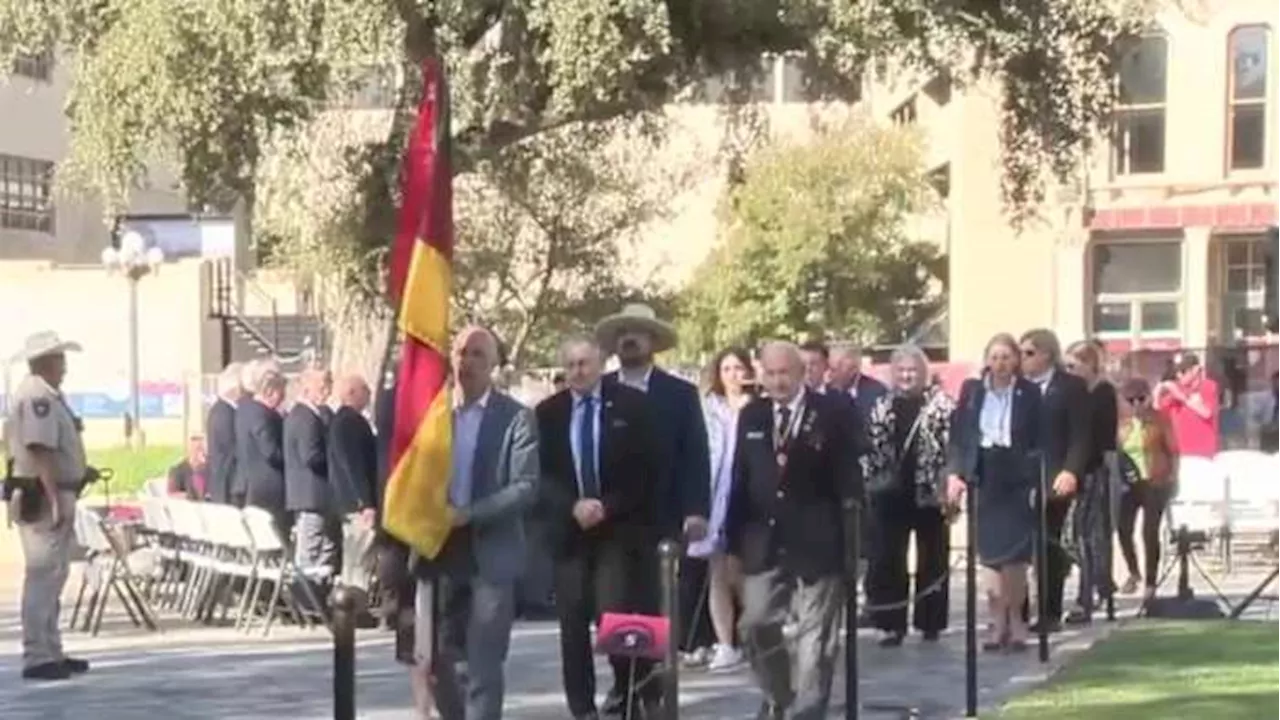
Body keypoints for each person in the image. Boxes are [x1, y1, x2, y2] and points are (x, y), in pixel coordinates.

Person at [727, 341, 861, 720]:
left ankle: (808, 711)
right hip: (764, 540)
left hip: (819, 539)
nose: (777, 381)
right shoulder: (752, 416)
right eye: (770, 373)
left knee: (815, 639)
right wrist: (732, 539)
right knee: (755, 623)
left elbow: (851, 478)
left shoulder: (833, 411)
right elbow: (740, 478)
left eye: (785, 372)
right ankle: (779, 695)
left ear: (802, 372)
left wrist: (854, 540)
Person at [415, 326, 540, 720]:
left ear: (494, 366)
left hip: (492, 554)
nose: (466, 362)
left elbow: (525, 487)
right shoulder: (434, 414)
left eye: (477, 355)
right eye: (461, 352)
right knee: (440, 665)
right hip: (441, 552)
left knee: (484, 666)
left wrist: (469, 513)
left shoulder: (515, 418)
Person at [537, 335, 660, 720]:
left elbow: (646, 470)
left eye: (584, 363)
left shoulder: (632, 405)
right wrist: (571, 506)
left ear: (601, 364)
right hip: (569, 533)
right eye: (570, 364)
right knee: (573, 625)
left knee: (618, 616)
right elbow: (540, 475)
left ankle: (632, 692)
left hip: (619, 530)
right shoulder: (548, 412)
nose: (577, 371)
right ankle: (582, 707)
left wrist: (607, 506)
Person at [596, 303, 709, 711]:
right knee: (612, 604)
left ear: (653, 342)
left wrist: (696, 510)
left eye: (639, 332)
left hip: (661, 515)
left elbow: (696, 455)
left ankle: (647, 683)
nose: (630, 338)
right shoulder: (600, 389)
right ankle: (623, 680)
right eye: (624, 331)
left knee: (650, 602)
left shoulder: (679, 394)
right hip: (611, 519)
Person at [4, 331, 93, 680]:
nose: (64, 367)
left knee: (55, 575)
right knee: (43, 575)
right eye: (58, 359)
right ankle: (38, 654)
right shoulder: (37, 396)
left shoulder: (47, 395)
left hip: (56, 491)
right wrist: (55, 496)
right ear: (43, 362)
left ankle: (51, 648)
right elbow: (40, 449)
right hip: (43, 498)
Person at [946, 333, 1042, 651]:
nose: (1000, 363)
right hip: (984, 474)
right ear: (987, 360)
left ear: (1016, 360)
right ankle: (995, 619)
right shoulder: (972, 392)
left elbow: (1040, 438)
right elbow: (960, 434)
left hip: (1016, 476)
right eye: (995, 357)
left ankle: (1017, 620)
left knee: (1015, 556)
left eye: (1007, 357)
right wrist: (955, 475)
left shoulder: (1029, 393)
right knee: (989, 556)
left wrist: (1036, 479)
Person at [863, 344, 954, 647]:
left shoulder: (941, 404)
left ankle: (931, 622)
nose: (906, 376)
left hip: (929, 491)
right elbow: (871, 449)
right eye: (901, 370)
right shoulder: (881, 405)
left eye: (912, 370)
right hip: (890, 493)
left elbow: (951, 446)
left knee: (934, 557)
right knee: (888, 558)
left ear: (924, 373)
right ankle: (891, 624)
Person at [686, 346, 755, 672]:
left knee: (738, 570)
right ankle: (725, 642)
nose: (732, 375)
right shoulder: (707, 407)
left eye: (738, 368)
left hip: (744, 494)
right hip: (714, 493)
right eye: (726, 369)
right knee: (716, 571)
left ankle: (757, 632)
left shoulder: (757, 407)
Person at [1017, 328, 1090, 633]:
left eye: (1029, 353)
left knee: (1049, 546)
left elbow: (1081, 434)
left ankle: (1049, 612)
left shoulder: (1070, 387)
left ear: (1047, 354)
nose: (1023, 359)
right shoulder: (1018, 388)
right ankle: (1016, 612)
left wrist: (1071, 470)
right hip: (1021, 478)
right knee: (1020, 546)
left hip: (1056, 476)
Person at [1062, 341, 1119, 625]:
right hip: (1078, 471)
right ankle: (1100, 583)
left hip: (1095, 471)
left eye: (1074, 366)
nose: (1069, 372)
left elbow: (1106, 438)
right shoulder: (1076, 393)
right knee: (1076, 536)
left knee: (1086, 534)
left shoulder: (1102, 392)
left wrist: (1109, 475)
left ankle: (1091, 592)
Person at [1116, 377, 1179, 601]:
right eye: (1130, 400)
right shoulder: (1122, 424)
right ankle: (1134, 572)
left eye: (1141, 399)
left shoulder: (1159, 420)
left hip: (1155, 481)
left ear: (1149, 397)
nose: (1136, 405)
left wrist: (1173, 477)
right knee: (1123, 528)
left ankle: (1151, 583)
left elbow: (1173, 450)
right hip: (1131, 483)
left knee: (1149, 532)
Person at [285, 368, 337, 577]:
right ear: (307, 389)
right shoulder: (306, 417)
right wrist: (335, 463)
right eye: (322, 387)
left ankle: (313, 595)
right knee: (310, 551)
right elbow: (311, 456)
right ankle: (306, 599)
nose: (327, 392)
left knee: (320, 546)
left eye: (328, 386)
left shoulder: (303, 415)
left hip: (308, 495)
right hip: (312, 495)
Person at [238, 369, 289, 535]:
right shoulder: (262, 415)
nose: (283, 398)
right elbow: (270, 451)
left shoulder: (244, 411)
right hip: (269, 489)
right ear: (270, 392)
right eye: (281, 393)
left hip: (253, 483)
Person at [1155, 352, 1220, 460]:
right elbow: (1157, 409)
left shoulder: (1207, 386)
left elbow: (1206, 413)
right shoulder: (1174, 391)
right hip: (1182, 454)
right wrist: (1158, 392)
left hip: (1204, 454)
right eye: (1176, 372)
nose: (1179, 375)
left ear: (1195, 370)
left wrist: (1181, 396)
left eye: (1183, 371)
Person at [205, 362, 242, 504]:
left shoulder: (220, 410)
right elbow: (232, 450)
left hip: (223, 482)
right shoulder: (225, 414)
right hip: (227, 484)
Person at [167, 435, 209, 500]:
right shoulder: (177, 470)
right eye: (198, 449)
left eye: (204, 449)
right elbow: (172, 494)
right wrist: (189, 496)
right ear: (189, 451)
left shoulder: (210, 469)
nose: (202, 453)